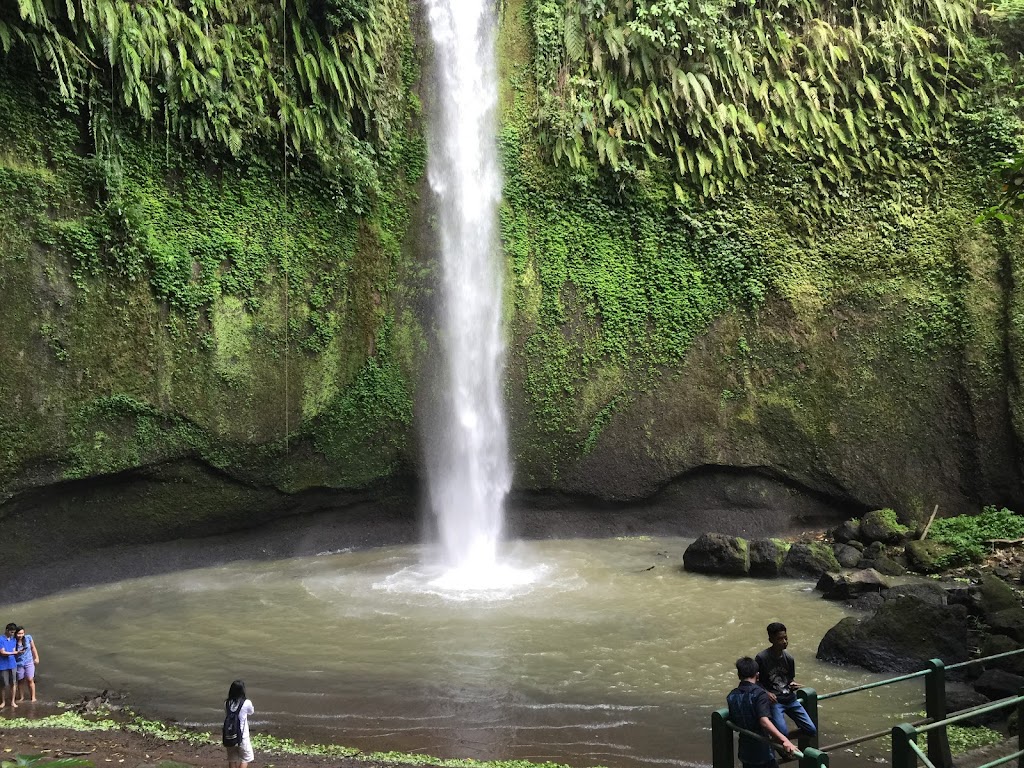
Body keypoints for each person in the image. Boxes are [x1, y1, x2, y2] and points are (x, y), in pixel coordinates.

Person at [727, 656, 797, 768]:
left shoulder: (731, 696)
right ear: (757, 675)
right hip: (762, 750)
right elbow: (764, 721)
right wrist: (785, 740)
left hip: (745, 750)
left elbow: (734, 721)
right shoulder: (760, 694)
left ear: (739, 675)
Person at [755, 622, 817, 740]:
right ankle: (782, 741)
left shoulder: (789, 658)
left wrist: (792, 684)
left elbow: (789, 679)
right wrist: (766, 693)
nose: (784, 641)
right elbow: (755, 682)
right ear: (771, 640)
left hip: (790, 698)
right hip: (775, 702)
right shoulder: (761, 658)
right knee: (782, 732)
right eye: (779, 639)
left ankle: (779, 741)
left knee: (811, 730)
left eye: (785, 638)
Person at [224, 679, 255, 768]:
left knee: (232, 758)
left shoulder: (226, 703)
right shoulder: (246, 702)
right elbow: (251, 712)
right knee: (246, 758)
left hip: (229, 735)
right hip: (242, 736)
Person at [14, 626, 39, 702]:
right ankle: (21, 697)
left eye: (22, 633)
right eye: (19, 633)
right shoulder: (13, 641)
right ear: (15, 634)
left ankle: (33, 697)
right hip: (18, 663)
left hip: (29, 661)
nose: (20, 635)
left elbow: (33, 648)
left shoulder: (28, 638)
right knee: (20, 680)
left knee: (30, 679)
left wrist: (36, 657)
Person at [0, 623, 19, 708]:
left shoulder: (13, 639)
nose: (12, 634)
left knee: (13, 683)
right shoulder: (1, 639)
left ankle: (12, 701)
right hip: (3, 664)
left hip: (12, 664)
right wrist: (13, 653)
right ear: (7, 630)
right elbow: (2, 652)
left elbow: (14, 650)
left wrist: (17, 652)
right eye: (11, 632)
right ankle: (3, 701)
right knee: (3, 684)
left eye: (13, 632)